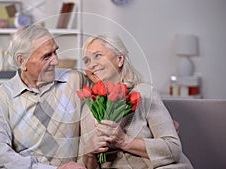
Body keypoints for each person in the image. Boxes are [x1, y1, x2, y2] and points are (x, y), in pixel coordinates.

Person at [79, 34, 193, 169]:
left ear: (120, 59)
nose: (92, 64)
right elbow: (85, 165)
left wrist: (123, 141)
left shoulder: (145, 94)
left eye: (98, 55)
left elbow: (173, 148)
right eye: (86, 61)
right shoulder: (87, 108)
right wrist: (89, 153)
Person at [0, 24, 88, 169]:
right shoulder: (1, 98)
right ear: (22, 62)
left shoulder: (75, 80)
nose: (56, 61)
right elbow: (0, 156)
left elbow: (108, 95)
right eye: (46, 56)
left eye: (55, 52)